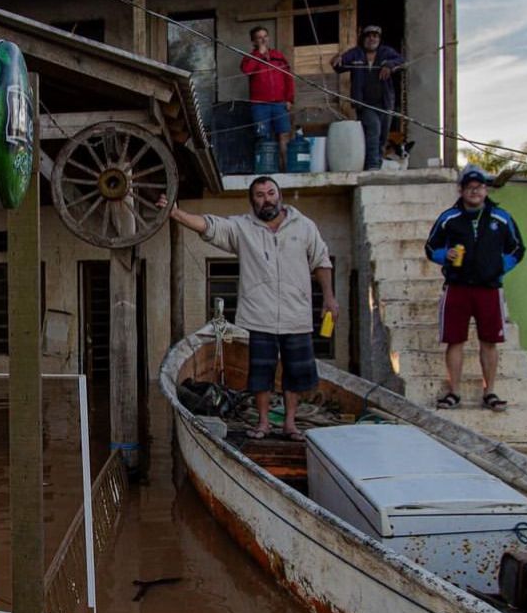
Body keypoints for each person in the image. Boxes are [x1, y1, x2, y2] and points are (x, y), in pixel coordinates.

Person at [159, 178, 339, 440]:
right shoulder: (242, 228)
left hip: (296, 314)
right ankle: (263, 423)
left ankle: (290, 424)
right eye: (260, 195)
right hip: (259, 315)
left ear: (279, 195)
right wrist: (176, 214)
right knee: (261, 374)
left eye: (271, 193)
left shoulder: (304, 226)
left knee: (296, 374)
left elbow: (321, 261)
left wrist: (329, 298)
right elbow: (210, 226)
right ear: (252, 200)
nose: (267, 199)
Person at [424, 165, 525, 412]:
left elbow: (517, 249)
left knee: (489, 341)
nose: (474, 191)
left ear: (485, 189)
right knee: (454, 341)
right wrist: (444, 255)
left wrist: (499, 267)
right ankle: (454, 392)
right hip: (457, 287)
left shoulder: (501, 218)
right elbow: (430, 248)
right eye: (469, 187)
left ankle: (489, 392)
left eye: (478, 187)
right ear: (461, 190)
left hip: (489, 288)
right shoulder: (449, 218)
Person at [329, 25, 405, 170]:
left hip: (385, 103)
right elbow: (339, 65)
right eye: (369, 36)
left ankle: (377, 164)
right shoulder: (356, 53)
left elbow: (401, 61)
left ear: (379, 39)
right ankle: (372, 166)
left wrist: (389, 65)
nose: (372, 39)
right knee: (373, 130)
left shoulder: (386, 52)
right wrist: (336, 60)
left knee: (382, 136)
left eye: (375, 36)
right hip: (365, 104)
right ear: (363, 38)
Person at [240, 26, 295, 172]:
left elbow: (288, 78)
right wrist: (260, 53)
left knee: (284, 135)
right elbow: (247, 70)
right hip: (260, 105)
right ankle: (267, 170)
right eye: (259, 37)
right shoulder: (250, 57)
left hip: (279, 103)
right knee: (263, 136)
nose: (263, 40)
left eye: (265, 36)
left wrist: (289, 99)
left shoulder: (278, 56)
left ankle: (285, 170)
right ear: (253, 41)